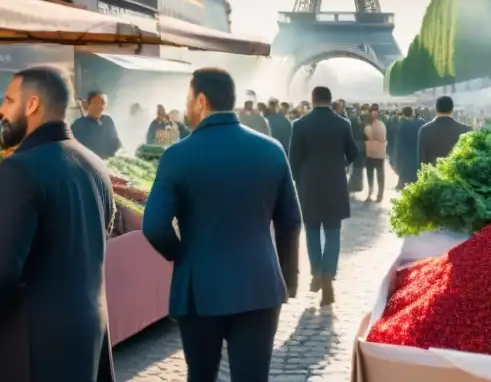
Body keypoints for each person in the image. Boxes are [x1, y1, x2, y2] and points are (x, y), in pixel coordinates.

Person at [0, 66, 115, 382]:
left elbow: (3, 266)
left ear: (31, 105)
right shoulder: (95, 164)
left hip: (34, 337)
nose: (0, 110)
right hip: (88, 328)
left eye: (7, 99)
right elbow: (100, 234)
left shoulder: (18, 168)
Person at [143, 68, 301, 382]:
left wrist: (184, 256)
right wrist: (286, 277)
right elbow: (291, 222)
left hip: (200, 288)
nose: (185, 107)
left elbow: (155, 227)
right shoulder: (271, 149)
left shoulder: (178, 155)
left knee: (201, 375)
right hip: (260, 285)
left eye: (187, 99)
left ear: (201, 100)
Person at [289, 86, 357, 307]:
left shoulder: (299, 125)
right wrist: (339, 164)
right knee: (333, 232)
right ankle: (328, 275)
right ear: (330, 100)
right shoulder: (342, 124)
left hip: (309, 185)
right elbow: (353, 153)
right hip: (335, 184)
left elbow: (293, 159)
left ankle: (317, 271)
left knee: (311, 231)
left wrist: (301, 179)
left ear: (312, 99)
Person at [418, 96, 470, 168]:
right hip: (457, 176)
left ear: (436, 109)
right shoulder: (466, 130)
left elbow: (421, 161)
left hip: (433, 176)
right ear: (452, 109)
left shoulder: (425, 130)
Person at [71, 91, 122, 160]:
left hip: (107, 163)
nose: (99, 106)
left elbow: (115, 143)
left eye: (103, 103)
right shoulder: (78, 124)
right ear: (88, 104)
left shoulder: (108, 121)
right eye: (96, 103)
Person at [395, 106, 425, 189]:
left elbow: (399, 145)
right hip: (418, 156)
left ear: (403, 114)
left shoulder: (402, 125)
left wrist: (396, 163)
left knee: (405, 182)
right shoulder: (421, 124)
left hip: (406, 158)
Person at [363, 106, 387, 202]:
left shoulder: (375, 125)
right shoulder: (380, 124)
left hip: (374, 152)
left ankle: (375, 194)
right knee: (375, 175)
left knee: (375, 175)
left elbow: (372, 136)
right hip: (375, 152)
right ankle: (375, 194)